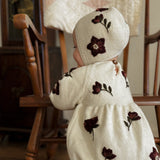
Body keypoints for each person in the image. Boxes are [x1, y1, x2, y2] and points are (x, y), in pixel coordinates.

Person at [49, 7, 159, 160]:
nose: (73, 53)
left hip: (102, 141)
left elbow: (59, 98)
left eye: (76, 47)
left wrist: (69, 77)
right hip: (129, 135)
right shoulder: (118, 71)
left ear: (93, 49)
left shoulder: (84, 74)